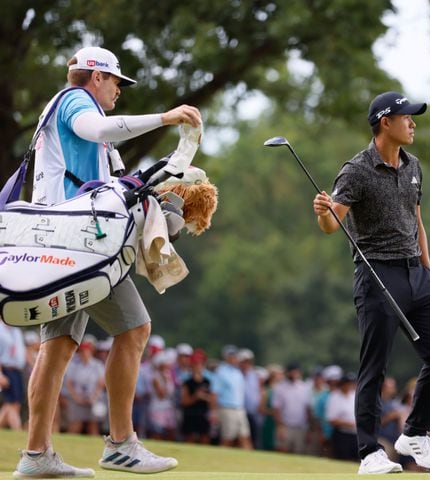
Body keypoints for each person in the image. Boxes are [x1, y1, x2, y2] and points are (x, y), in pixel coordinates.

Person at [14, 45, 201, 479]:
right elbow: (99, 129)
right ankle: (119, 445)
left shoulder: (70, 114)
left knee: (59, 346)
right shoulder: (75, 100)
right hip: (74, 244)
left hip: (63, 241)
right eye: (117, 81)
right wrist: (165, 118)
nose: (118, 90)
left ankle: (37, 454)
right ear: (96, 76)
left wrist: (159, 199)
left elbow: (110, 185)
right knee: (133, 329)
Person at [313, 91, 430, 474]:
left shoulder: (414, 166)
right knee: (375, 366)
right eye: (406, 117)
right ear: (384, 122)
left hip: (417, 275)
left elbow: (417, 224)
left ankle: (414, 433)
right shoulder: (356, 169)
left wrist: (429, 273)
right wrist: (324, 213)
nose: (413, 123)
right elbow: (332, 224)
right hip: (378, 275)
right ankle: (368, 453)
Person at [211, 345, 252, 448]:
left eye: (235, 356)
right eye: (232, 356)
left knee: (245, 436)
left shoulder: (238, 372)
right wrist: (214, 412)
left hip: (240, 409)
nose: (235, 358)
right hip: (227, 409)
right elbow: (214, 393)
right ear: (226, 357)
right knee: (227, 439)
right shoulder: (221, 372)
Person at [0, 323, 26, 430]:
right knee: (12, 403)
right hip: (6, 369)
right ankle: (18, 430)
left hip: (18, 370)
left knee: (15, 403)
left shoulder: (16, 330)